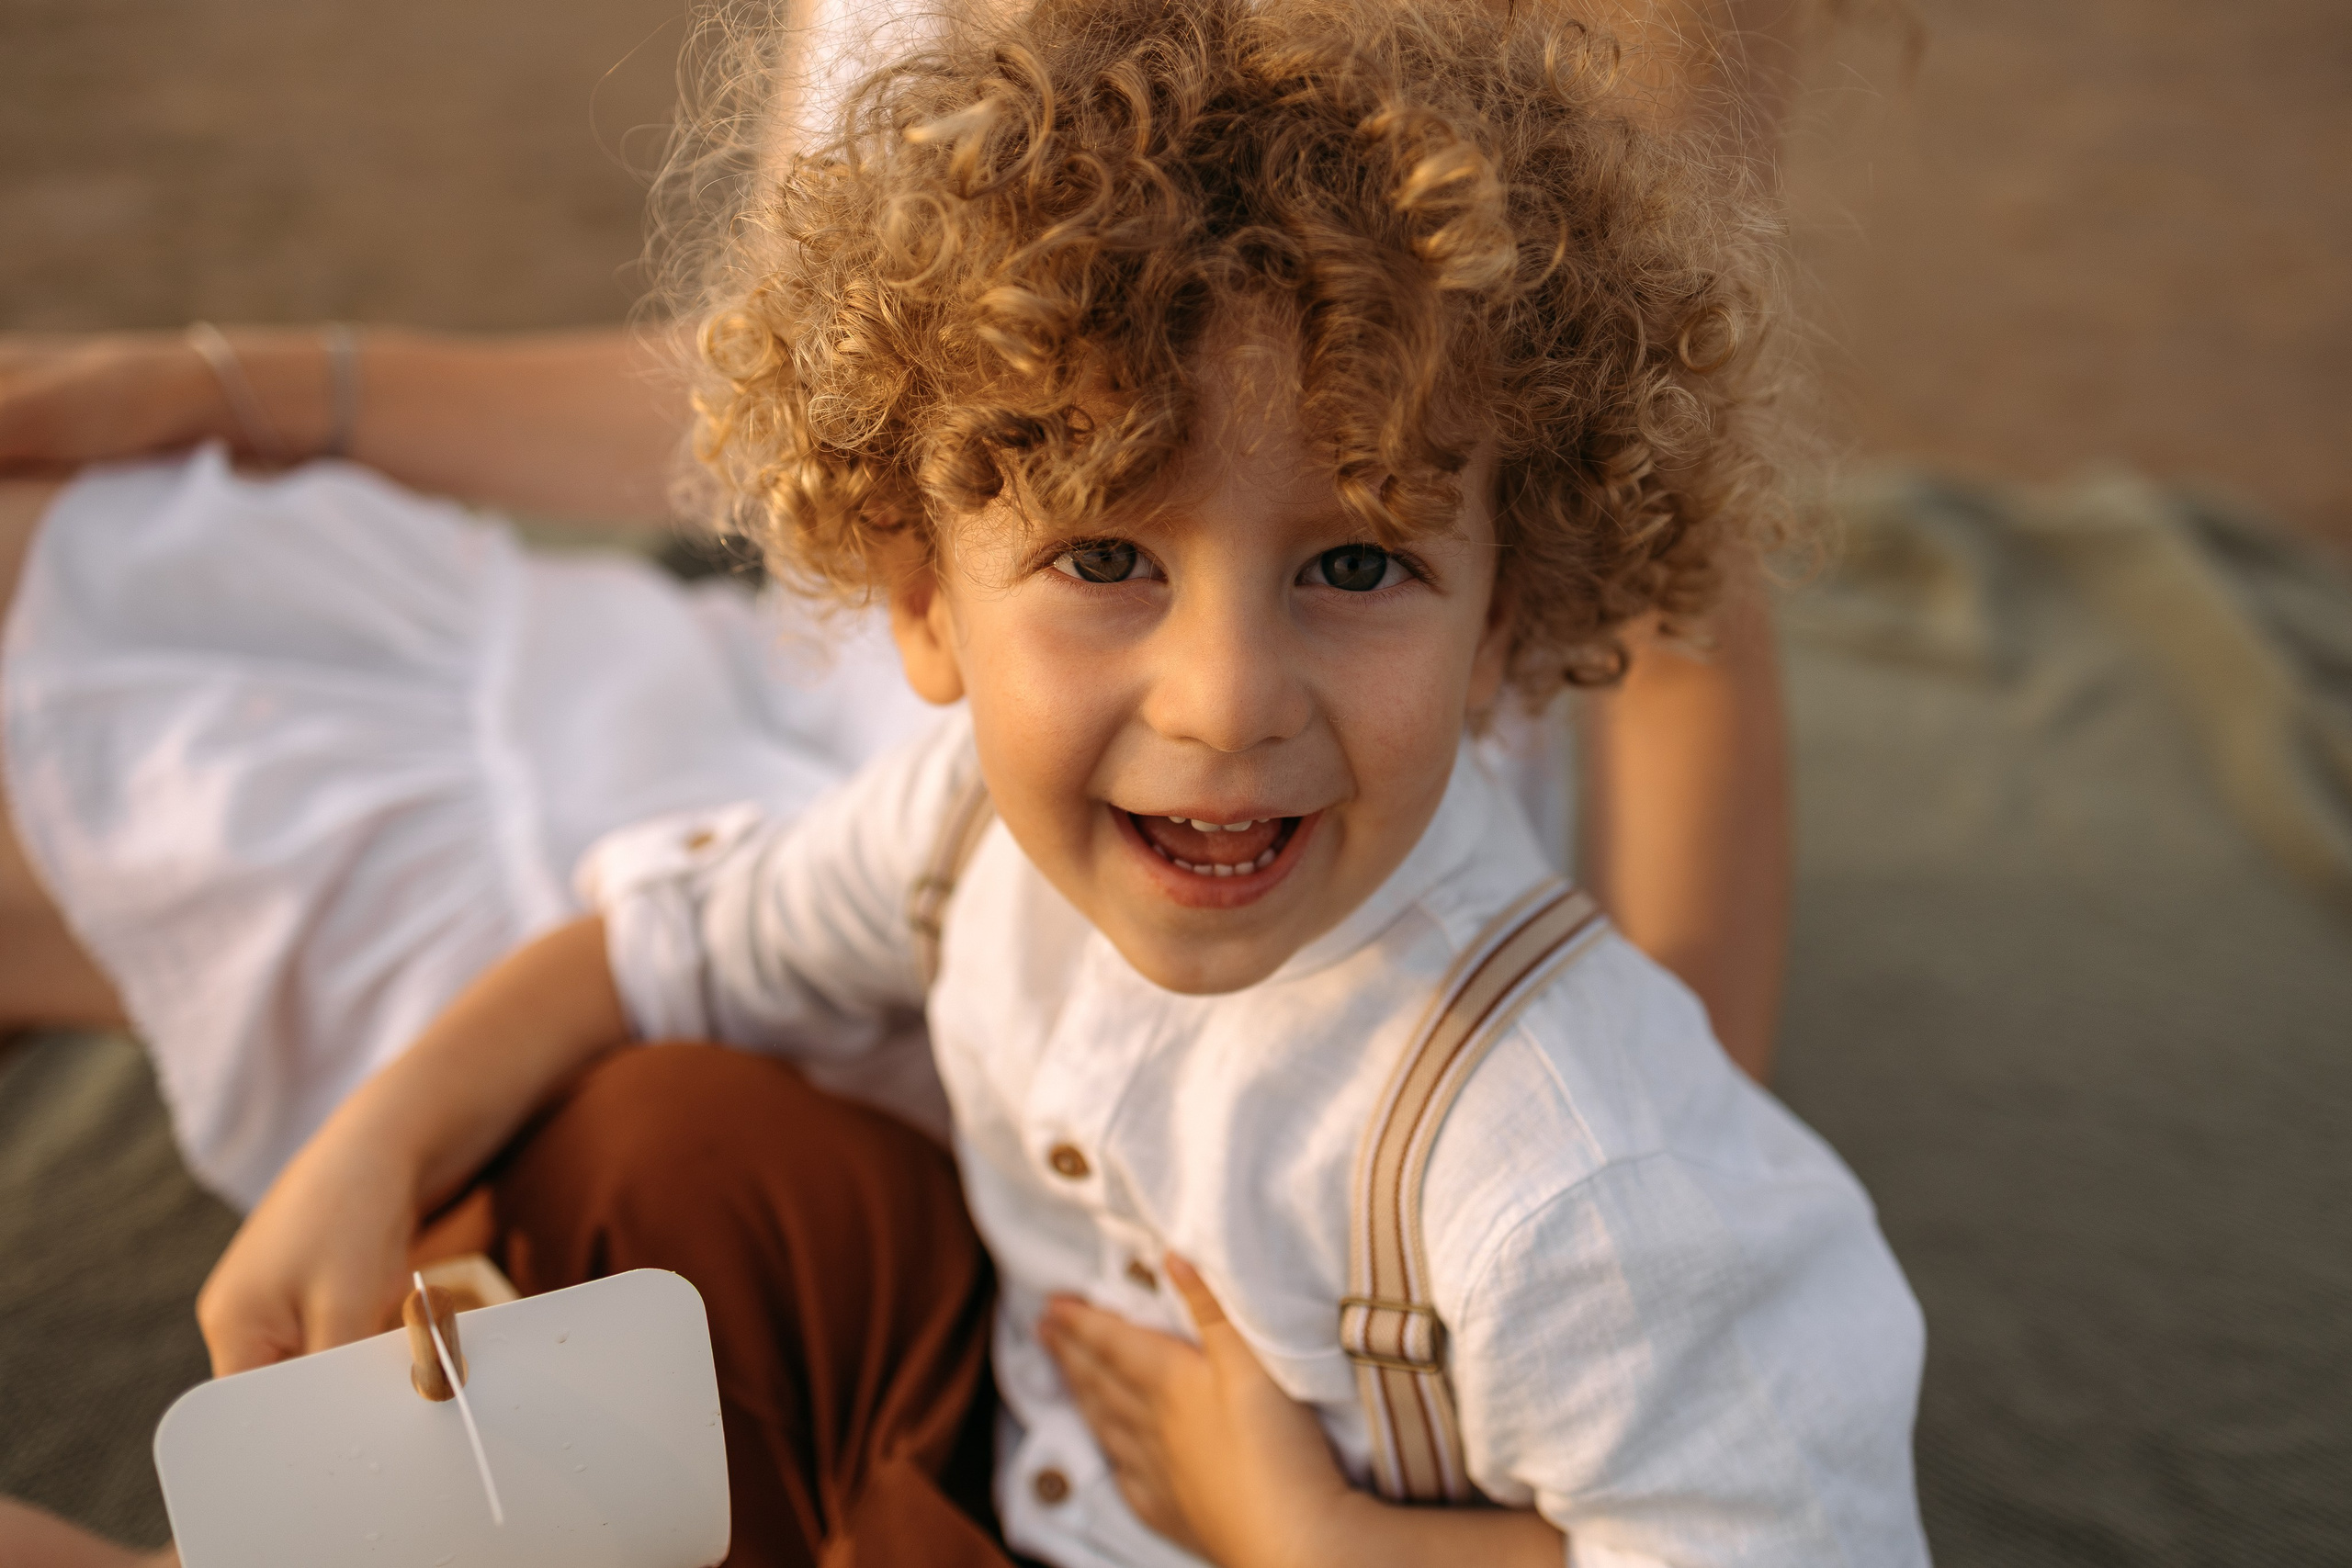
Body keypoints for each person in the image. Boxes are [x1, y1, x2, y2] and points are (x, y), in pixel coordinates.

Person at [176, 1, 1926, 1564]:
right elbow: (669, 942)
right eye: (1108, 558)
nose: (1229, 700)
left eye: (1357, 567)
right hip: (992, 1460)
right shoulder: (960, 832)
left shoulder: (1579, 1176)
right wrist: (374, 1142)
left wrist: (1313, 1543)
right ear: (920, 598)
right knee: (665, 1142)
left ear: (1505, 622)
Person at [0, 0, 1795, 1215]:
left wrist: (1659, 1156)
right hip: (932, 696)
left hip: (1296, 835)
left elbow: (1660, 592)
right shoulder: (907, 677)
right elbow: (815, 377)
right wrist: (239, 390)